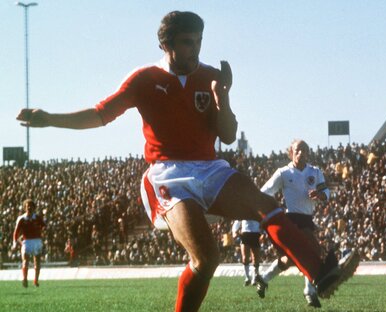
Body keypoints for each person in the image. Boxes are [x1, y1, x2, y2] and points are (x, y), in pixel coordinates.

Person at [15, 11, 359, 312]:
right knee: (207, 258)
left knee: (265, 203)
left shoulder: (209, 76)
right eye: (187, 42)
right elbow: (100, 114)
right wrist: (49, 118)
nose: (195, 49)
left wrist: (222, 97)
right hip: (168, 174)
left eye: (199, 41)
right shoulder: (145, 79)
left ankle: (320, 273)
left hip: (210, 168)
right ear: (167, 46)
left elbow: (227, 134)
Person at [255, 139, 333, 308]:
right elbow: (265, 191)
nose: (301, 153)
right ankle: (309, 291)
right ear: (290, 152)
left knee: (289, 259)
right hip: (291, 219)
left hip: (307, 219)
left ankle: (263, 278)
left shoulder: (315, 172)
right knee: (314, 250)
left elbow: (326, 190)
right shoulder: (283, 173)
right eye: (297, 150)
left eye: (304, 150)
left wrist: (320, 195)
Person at [12, 199, 46, 288]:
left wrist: (41, 232)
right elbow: (16, 232)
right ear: (25, 208)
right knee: (25, 260)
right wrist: (14, 243)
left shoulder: (37, 218)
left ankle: (36, 280)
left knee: (37, 261)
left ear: (34, 208)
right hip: (26, 242)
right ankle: (25, 279)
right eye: (27, 206)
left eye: (31, 206)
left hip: (37, 241)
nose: (29, 208)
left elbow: (44, 226)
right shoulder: (21, 219)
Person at [231, 219, 263, 287]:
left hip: (255, 234)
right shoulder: (244, 210)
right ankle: (247, 278)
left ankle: (254, 278)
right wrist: (234, 231)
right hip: (245, 234)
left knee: (255, 257)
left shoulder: (256, 211)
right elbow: (237, 220)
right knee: (245, 257)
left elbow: (263, 220)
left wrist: (264, 233)